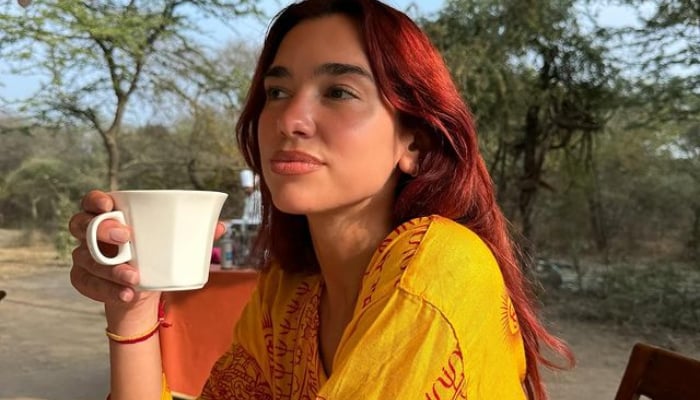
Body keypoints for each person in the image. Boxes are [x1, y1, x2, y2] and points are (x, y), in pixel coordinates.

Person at [68, 0, 573, 399]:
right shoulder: (289, 293)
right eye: (277, 92)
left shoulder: (441, 265)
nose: (290, 120)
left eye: (338, 92)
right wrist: (133, 311)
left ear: (414, 143)